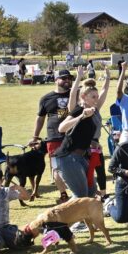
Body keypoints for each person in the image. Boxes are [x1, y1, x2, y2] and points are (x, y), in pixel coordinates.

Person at [54, 67, 110, 199]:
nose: (96, 99)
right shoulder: (78, 110)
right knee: (81, 195)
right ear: (84, 97)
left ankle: (83, 218)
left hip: (82, 156)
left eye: (97, 96)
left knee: (91, 191)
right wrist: (81, 117)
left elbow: (104, 92)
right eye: (93, 97)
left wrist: (93, 143)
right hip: (68, 157)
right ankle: (69, 218)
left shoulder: (94, 110)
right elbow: (61, 128)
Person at [32, 68, 76, 203]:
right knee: (56, 167)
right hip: (54, 137)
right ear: (56, 80)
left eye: (69, 78)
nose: (67, 80)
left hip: (73, 135)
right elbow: (40, 118)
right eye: (64, 78)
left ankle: (77, 192)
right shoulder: (46, 98)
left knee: (76, 164)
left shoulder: (75, 94)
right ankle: (63, 194)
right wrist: (35, 137)